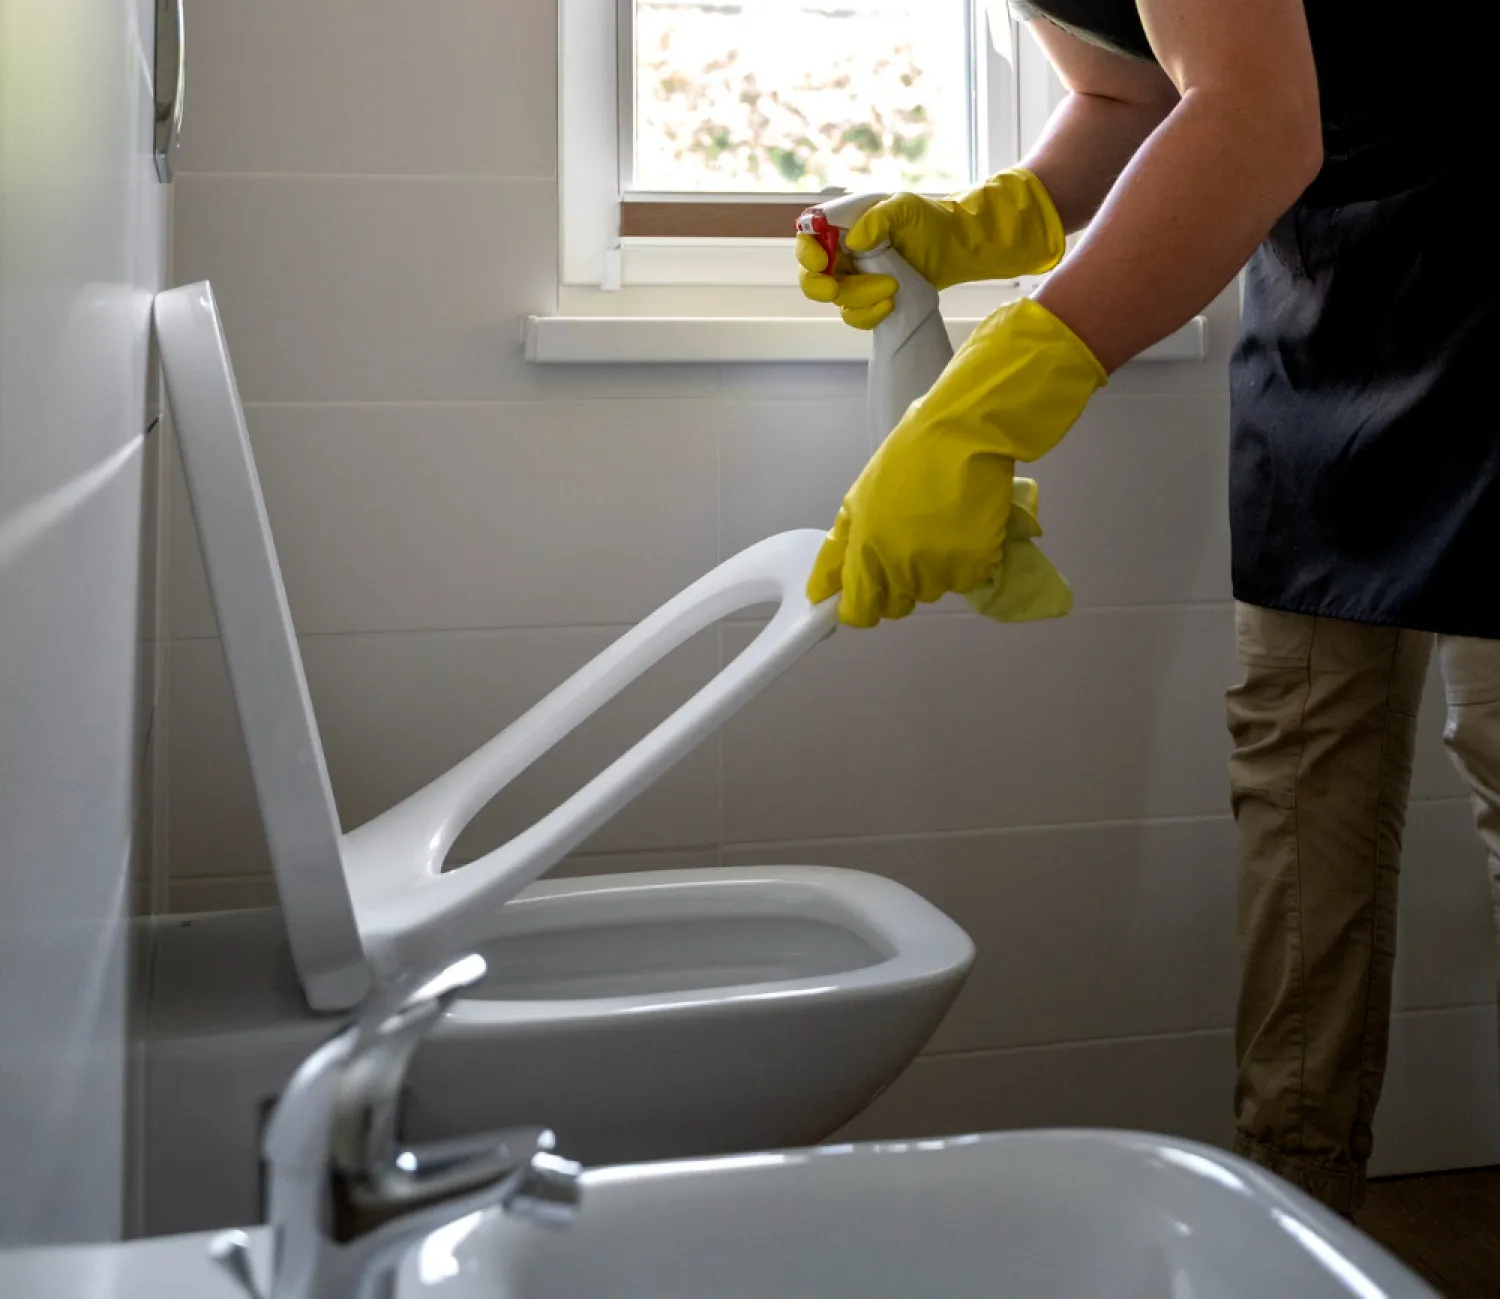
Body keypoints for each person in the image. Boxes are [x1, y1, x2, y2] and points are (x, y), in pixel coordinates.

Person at [797, 0, 1499, 1216]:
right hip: (1332, 297)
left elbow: (1254, 122)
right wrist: (991, 221)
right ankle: (1291, 1206)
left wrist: (994, 404)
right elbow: (1143, 96)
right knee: (1299, 771)